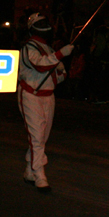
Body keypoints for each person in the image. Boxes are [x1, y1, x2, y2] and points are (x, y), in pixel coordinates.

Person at [17, 13, 73, 191]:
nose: (46, 26)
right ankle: (40, 174)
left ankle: (29, 169)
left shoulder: (48, 48)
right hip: (31, 95)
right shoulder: (28, 48)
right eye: (41, 23)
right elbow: (39, 65)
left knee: (41, 137)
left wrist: (61, 71)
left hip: (48, 96)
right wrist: (60, 54)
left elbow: (58, 73)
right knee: (36, 137)